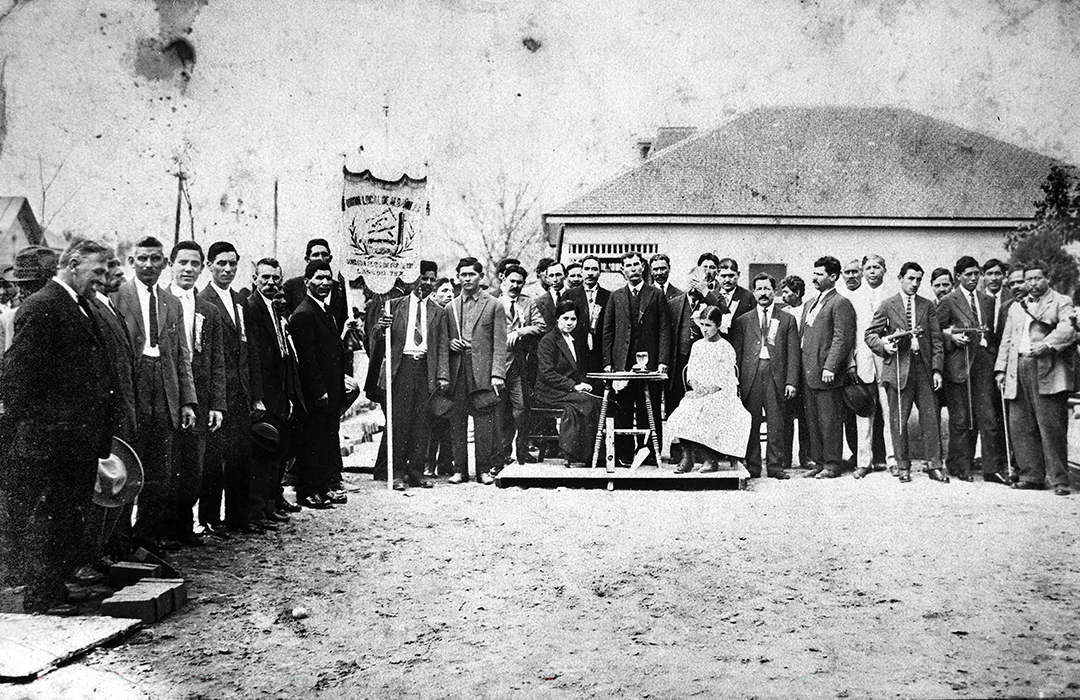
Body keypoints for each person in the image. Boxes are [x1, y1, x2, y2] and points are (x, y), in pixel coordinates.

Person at [0, 238, 117, 614]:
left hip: (75, 440)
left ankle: (56, 588)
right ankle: (41, 597)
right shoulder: (43, 305)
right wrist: (37, 428)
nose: (101, 278)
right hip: (51, 441)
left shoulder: (78, 305)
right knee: (49, 520)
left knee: (66, 518)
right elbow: (18, 376)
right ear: (73, 263)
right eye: (96, 271)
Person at [112, 236, 196, 552]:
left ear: (164, 264)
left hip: (165, 389)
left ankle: (146, 537)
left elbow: (181, 356)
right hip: (132, 388)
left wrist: (187, 401)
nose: (149, 265)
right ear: (132, 262)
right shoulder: (117, 296)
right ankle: (118, 543)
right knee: (127, 464)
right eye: (143, 258)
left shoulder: (170, 303)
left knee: (160, 469)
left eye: (155, 259)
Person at [198, 242, 266, 533]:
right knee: (214, 458)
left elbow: (251, 351)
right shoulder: (204, 300)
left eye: (232, 264)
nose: (227, 269)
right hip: (218, 393)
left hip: (241, 392)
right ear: (209, 266)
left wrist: (256, 396)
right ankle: (210, 518)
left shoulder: (241, 300)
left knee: (241, 456)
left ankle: (239, 517)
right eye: (221, 264)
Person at [994, 260, 1075, 495]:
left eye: (1037, 278)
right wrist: (1000, 370)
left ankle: (1059, 480)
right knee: (1020, 425)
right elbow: (1007, 341)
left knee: (1051, 426)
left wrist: (1048, 344)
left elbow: (1068, 329)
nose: (1032, 283)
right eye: (1028, 279)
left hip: (1047, 368)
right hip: (1017, 368)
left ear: (1047, 277)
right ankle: (1031, 476)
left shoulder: (1061, 302)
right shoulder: (1017, 307)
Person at [865, 262, 947, 484]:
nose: (915, 284)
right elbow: (870, 335)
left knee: (930, 418)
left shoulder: (927, 305)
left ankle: (934, 465)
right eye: (911, 279)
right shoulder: (887, 305)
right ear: (900, 278)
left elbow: (937, 340)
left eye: (919, 279)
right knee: (898, 419)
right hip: (898, 368)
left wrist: (937, 370)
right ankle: (903, 466)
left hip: (924, 369)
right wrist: (884, 346)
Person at [168, 242, 226, 544]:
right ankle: (165, 529)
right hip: (168, 396)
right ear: (171, 265)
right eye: (182, 263)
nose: (188, 269)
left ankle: (184, 526)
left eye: (194, 264)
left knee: (194, 466)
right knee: (169, 464)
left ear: (202, 267)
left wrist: (217, 403)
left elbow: (216, 360)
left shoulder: (208, 310)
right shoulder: (161, 302)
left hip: (201, 398)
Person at [372, 270, 450, 491]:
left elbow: (442, 345)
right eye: (422, 278)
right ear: (412, 279)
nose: (426, 283)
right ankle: (396, 472)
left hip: (425, 368)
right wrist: (382, 326)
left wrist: (442, 375)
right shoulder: (394, 305)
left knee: (422, 422)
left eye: (430, 279)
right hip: (402, 368)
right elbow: (377, 336)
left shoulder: (438, 311)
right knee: (400, 422)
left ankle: (416, 472)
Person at [937, 256, 1008, 484]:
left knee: (988, 418)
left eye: (976, 274)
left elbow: (992, 334)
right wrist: (951, 336)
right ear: (958, 276)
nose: (973, 278)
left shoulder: (987, 300)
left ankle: (991, 469)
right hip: (960, 364)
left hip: (983, 365)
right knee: (961, 419)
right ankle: (961, 465)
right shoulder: (948, 300)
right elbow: (936, 331)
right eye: (968, 274)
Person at [247, 257, 305, 520]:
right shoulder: (253, 308)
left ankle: (273, 501)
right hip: (266, 393)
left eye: (275, 278)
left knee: (279, 449)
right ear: (255, 279)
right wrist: (258, 397)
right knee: (264, 451)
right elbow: (254, 356)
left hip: (283, 392)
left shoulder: (276, 308)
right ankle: (260, 509)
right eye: (265, 277)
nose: (271, 282)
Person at [290, 260, 350, 507]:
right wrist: (319, 390)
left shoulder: (325, 310)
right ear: (307, 282)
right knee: (311, 441)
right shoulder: (304, 313)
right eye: (318, 278)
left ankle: (323, 486)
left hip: (331, 390)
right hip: (318, 392)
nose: (325, 283)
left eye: (328, 278)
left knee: (326, 439)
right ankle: (306, 490)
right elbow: (307, 359)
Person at [603, 251, 671, 466]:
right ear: (623, 270)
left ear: (643, 267)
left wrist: (662, 360)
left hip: (648, 363)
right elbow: (608, 331)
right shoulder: (616, 296)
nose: (633, 269)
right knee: (623, 406)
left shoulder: (655, 294)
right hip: (622, 363)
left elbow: (664, 330)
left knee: (647, 407)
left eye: (636, 264)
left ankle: (651, 452)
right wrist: (608, 363)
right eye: (628, 265)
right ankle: (624, 454)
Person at [730, 274, 800, 479]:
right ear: (753, 292)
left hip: (775, 374)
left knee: (776, 422)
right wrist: (737, 382)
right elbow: (738, 354)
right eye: (759, 289)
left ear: (775, 291)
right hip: (751, 375)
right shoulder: (743, 321)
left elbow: (793, 353)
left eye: (767, 289)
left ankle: (775, 466)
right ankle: (752, 466)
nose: (763, 293)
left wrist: (791, 381)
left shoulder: (787, 319)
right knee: (750, 422)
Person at [667, 306, 752, 472]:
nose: (704, 330)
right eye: (702, 325)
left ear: (718, 325)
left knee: (708, 409)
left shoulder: (725, 347)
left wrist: (707, 391)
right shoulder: (697, 346)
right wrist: (696, 386)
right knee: (684, 410)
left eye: (709, 325)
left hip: (721, 393)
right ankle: (687, 457)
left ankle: (710, 458)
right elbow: (691, 371)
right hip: (701, 391)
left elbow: (725, 377)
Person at [448, 257, 507, 484]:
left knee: (484, 422)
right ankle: (459, 470)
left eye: (471, 274)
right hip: (458, 369)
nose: (466, 279)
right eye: (462, 274)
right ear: (458, 277)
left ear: (480, 277)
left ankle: (483, 469)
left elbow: (500, 343)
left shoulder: (494, 305)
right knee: (457, 420)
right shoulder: (450, 307)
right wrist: (452, 343)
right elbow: (445, 341)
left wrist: (497, 373)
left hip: (482, 372)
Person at [800, 256, 856, 479]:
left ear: (833, 277)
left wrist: (831, 366)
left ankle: (832, 464)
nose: (814, 277)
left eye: (819, 274)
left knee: (830, 419)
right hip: (808, 371)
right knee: (812, 419)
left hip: (827, 373)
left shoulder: (840, 303)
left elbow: (842, 339)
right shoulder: (810, 303)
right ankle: (819, 461)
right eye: (814, 273)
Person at [534, 300, 600, 466]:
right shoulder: (548, 341)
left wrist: (583, 383)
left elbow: (575, 371)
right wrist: (574, 386)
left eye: (573, 319)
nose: (569, 323)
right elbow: (547, 373)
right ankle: (579, 452)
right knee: (585, 400)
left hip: (564, 390)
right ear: (557, 319)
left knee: (595, 400)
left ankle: (591, 452)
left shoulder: (573, 340)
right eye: (565, 318)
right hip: (548, 391)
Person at [848, 255, 894, 478]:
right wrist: (851, 361)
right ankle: (863, 461)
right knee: (864, 411)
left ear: (885, 270)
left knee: (890, 409)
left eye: (877, 267)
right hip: (864, 360)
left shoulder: (894, 296)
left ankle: (893, 459)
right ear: (863, 271)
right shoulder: (854, 298)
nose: (872, 272)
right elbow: (851, 333)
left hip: (888, 359)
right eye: (868, 268)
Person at [498, 264, 545, 465]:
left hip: (519, 363)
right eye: (512, 281)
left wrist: (519, 332)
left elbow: (541, 326)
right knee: (500, 412)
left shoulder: (528, 303)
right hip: (498, 364)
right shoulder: (492, 302)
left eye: (520, 282)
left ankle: (521, 452)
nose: (516, 285)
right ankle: (501, 455)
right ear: (503, 281)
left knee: (521, 409)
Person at [666, 265, 721, 425]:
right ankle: (676, 448)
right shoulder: (674, 304)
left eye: (699, 281)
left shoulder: (711, 300)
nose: (694, 285)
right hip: (679, 362)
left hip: (704, 364)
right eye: (692, 281)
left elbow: (722, 314)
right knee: (677, 409)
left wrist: (705, 293)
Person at [425, 278, 458, 476]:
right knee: (431, 420)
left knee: (448, 419)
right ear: (434, 293)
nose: (449, 294)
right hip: (433, 374)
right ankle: (428, 463)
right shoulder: (430, 313)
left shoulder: (452, 312)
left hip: (452, 374)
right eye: (444, 290)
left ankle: (446, 463)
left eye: (451, 291)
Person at [779, 275, 810, 472]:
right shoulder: (782, 313)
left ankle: (806, 457)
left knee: (806, 417)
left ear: (797, 293)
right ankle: (785, 458)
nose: (782, 296)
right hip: (789, 369)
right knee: (786, 415)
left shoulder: (808, 311)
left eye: (786, 292)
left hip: (805, 369)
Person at [283, 238, 349, 328]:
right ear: (307, 259)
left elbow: (343, 317)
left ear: (330, 258)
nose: (320, 258)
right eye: (315, 255)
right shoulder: (292, 285)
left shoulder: (338, 287)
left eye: (324, 254)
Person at [566, 254, 609, 374]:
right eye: (587, 269)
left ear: (600, 272)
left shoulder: (608, 296)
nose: (590, 273)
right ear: (582, 271)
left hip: (599, 354)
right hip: (576, 352)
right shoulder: (570, 295)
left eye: (594, 269)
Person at [715, 257, 755, 337]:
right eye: (723, 276)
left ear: (738, 275)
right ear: (717, 275)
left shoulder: (748, 296)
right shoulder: (712, 296)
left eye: (731, 276)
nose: (727, 280)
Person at [534, 260, 566, 329]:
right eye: (551, 276)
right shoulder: (539, 302)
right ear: (547, 278)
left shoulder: (575, 296)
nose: (555, 279)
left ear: (565, 275)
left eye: (558, 275)